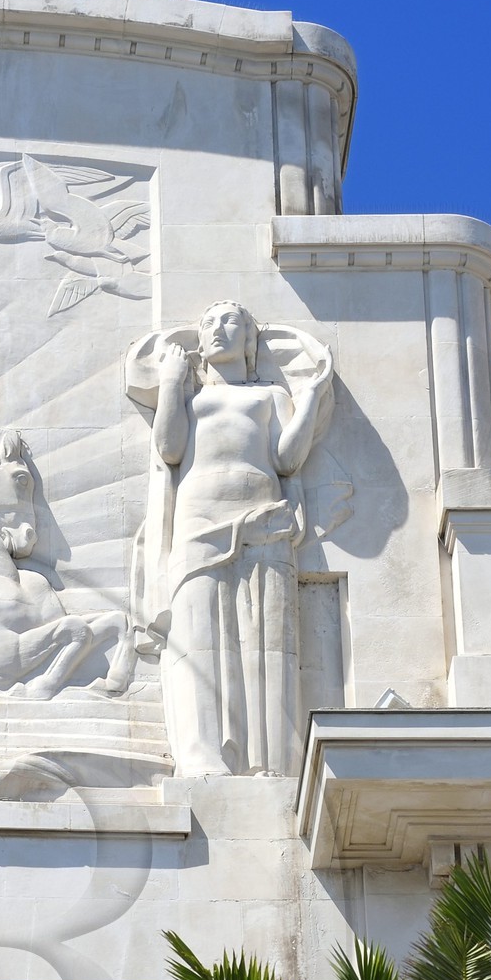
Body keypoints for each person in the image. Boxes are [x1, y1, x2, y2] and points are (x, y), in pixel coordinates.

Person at [127, 300, 332, 777]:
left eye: (230, 321)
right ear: (197, 340)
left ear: (249, 339)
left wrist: (311, 397)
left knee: (266, 644)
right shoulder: (191, 399)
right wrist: (174, 382)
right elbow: (169, 447)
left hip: (265, 523)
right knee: (198, 636)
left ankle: (271, 761)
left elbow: (286, 458)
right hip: (198, 525)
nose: (218, 329)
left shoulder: (267, 398)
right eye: (208, 323)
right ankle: (203, 759)